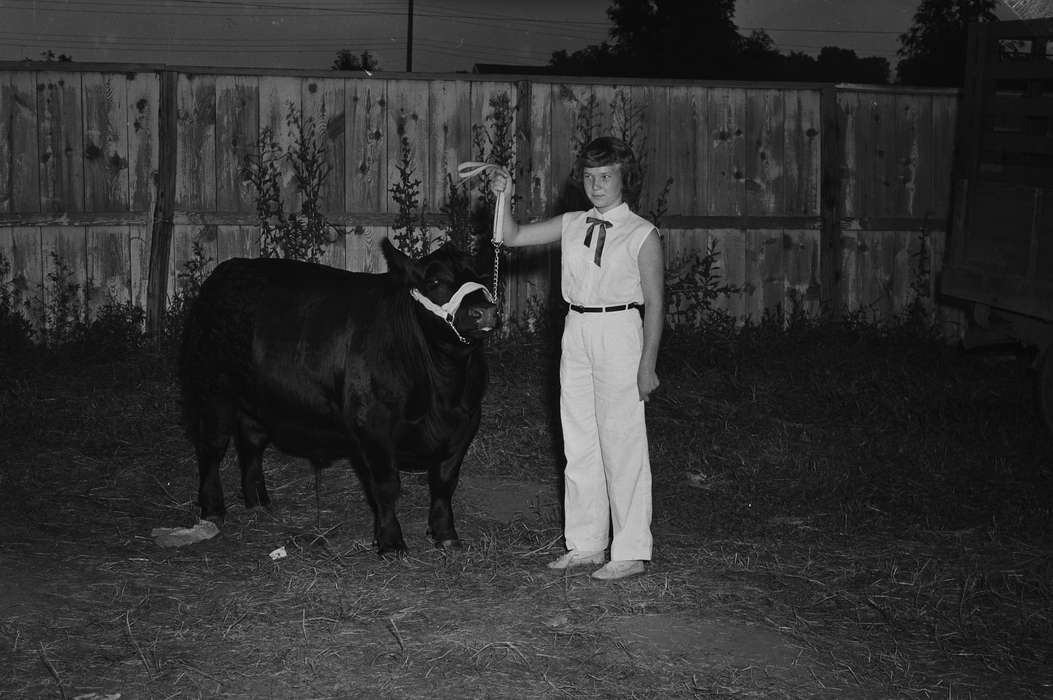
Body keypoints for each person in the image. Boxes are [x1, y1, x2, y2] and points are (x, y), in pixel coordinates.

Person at [492, 136, 663, 581]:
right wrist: (504, 195)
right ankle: (586, 543)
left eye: (606, 176)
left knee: (621, 442)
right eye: (589, 176)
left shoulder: (642, 233)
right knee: (580, 441)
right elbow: (510, 237)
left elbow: (657, 305)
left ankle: (629, 551)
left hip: (620, 332)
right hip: (577, 331)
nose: (597, 184)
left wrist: (647, 364)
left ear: (626, 179)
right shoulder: (571, 222)